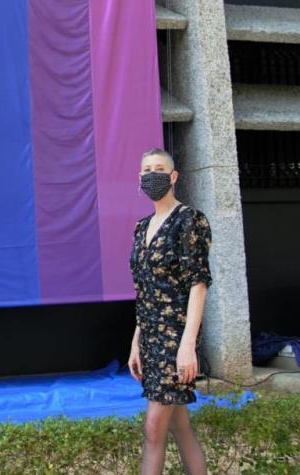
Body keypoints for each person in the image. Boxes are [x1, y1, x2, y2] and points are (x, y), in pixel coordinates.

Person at [127, 147, 213, 475]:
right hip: (149, 333)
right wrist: (137, 340)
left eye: (159, 168)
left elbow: (198, 284)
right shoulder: (141, 227)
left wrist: (188, 344)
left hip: (175, 336)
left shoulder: (189, 220)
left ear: (173, 176)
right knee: (179, 425)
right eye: (146, 169)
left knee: (153, 429)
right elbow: (145, 289)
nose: (152, 175)